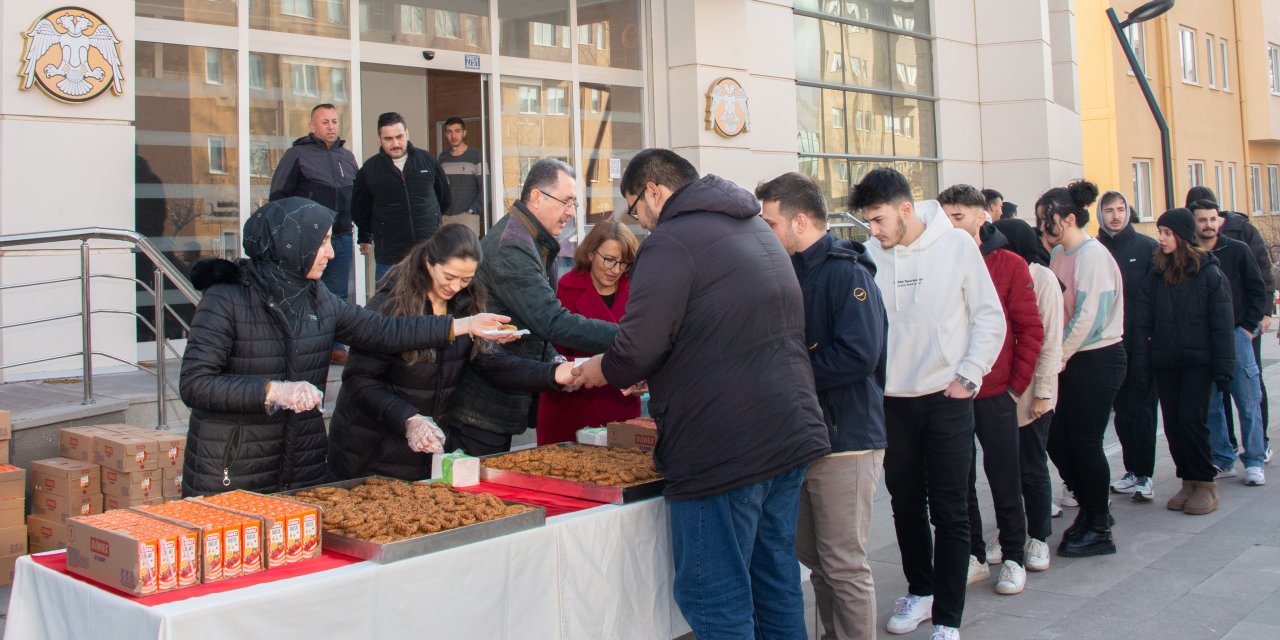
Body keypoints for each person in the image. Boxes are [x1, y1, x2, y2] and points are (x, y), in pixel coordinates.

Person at [574, 150, 831, 639]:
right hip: (788, 432)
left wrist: (593, 369)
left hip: (722, 448)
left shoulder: (670, 241)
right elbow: (727, 331)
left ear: (653, 190)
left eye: (634, 207)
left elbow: (636, 348)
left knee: (714, 596)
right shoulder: (755, 228)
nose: (639, 220)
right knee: (773, 579)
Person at [179, 199, 512, 496]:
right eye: (322, 242)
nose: (332, 253)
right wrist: (272, 391)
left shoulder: (318, 297)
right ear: (291, 245)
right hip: (232, 467)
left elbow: (382, 331)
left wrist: (462, 325)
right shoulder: (225, 298)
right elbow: (195, 384)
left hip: (301, 465)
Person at [853, 169, 1005, 640]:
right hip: (893, 401)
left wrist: (969, 374)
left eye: (878, 220)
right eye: (867, 223)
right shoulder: (872, 255)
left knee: (951, 508)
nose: (873, 232)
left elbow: (988, 317)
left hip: (946, 398)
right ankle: (921, 592)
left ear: (904, 209)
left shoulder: (957, 245)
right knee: (904, 503)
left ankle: (948, 618)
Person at [327, 225, 578, 481]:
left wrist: (555, 374)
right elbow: (359, 380)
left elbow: (493, 364)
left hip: (421, 453)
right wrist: (409, 418)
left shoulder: (465, 302)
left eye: (466, 280)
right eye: (448, 277)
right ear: (428, 262)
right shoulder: (390, 303)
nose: (456, 287)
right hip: (367, 450)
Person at [757, 172, 887, 640]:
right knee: (817, 561)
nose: (764, 231)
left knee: (843, 564)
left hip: (846, 440)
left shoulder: (846, 272)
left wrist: (790, 376)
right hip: (804, 440)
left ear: (801, 221)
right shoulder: (791, 271)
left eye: (770, 222)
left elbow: (859, 353)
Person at [448, 159, 619, 455]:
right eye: (566, 201)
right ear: (537, 196)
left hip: (496, 404)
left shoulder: (531, 239)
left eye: (574, 203)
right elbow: (552, 321)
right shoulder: (512, 246)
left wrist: (553, 359)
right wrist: (631, 337)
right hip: (480, 409)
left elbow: (534, 324)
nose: (571, 212)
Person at [937, 184, 1043, 597]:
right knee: (957, 481)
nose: (950, 224)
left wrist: (1016, 387)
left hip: (996, 392)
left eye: (958, 216)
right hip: (949, 393)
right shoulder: (940, 263)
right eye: (945, 217)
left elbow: (1030, 329)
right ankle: (974, 556)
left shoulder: (1009, 264)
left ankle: (1014, 555)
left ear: (983, 217)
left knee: (1004, 478)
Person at [1035, 180, 1126, 558]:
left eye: (1046, 219)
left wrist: (1058, 356)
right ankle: (1091, 507)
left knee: (1085, 443)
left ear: (1068, 219)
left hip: (1097, 359)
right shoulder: (1060, 255)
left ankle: (1099, 523)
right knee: (1057, 439)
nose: (1041, 226)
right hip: (1069, 360)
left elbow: (1089, 316)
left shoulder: (1092, 256)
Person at [1131, 208, 1234, 515]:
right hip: (1165, 360)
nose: (1161, 238)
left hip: (1198, 361)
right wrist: (1140, 363)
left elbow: (1221, 323)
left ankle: (1205, 483)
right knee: (1174, 425)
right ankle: (1187, 480)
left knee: (1192, 421)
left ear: (1181, 236)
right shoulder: (1156, 273)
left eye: (1166, 233)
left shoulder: (1208, 272)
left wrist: (1224, 369)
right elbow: (1141, 323)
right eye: (1159, 232)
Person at [992, 218, 1063, 573]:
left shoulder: (1042, 277)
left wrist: (1044, 394)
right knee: (1006, 468)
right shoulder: (1001, 274)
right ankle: (1012, 533)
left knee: (1032, 466)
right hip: (1005, 389)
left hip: (1035, 389)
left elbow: (1050, 342)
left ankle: (1038, 536)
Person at [1186, 186, 1274, 461]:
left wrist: (1255, 322)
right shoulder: (1187, 251)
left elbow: (1262, 276)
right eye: (1201, 219)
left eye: (1212, 218)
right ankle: (1224, 451)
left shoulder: (1241, 236)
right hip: (1206, 336)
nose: (1209, 224)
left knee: (1249, 392)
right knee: (1213, 399)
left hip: (1240, 329)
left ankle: (1258, 450)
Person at [535, 220, 641, 445]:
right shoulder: (567, 287)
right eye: (610, 260)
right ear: (591, 254)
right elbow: (553, 354)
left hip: (619, 407)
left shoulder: (638, 290)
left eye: (624, 263)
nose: (616, 269)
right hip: (571, 406)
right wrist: (601, 366)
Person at [269, 103, 360, 364]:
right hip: (307, 239)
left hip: (341, 235)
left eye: (334, 121)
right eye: (325, 122)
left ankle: (335, 347)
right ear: (312, 126)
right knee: (302, 293)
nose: (331, 127)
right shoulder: (296, 154)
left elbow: (359, 195)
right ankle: (299, 346)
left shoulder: (347, 156)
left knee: (336, 295)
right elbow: (278, 196)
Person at [1096, 191, 1160, 501]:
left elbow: (1156, 296)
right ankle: (1131, 470)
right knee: (1121, 411)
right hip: (1109, 344)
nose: (1116, 215)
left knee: (1142, 409)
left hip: (1140, 342)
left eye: (1121, 209)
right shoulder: (1094, 249)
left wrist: (1150, 335)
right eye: (1109, 210)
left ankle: (1145, 474)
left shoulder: (1146, 247)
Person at [352, 112, 452, 282]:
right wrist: (368, 233)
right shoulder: (369, 169)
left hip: (429, 253)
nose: (395, 143)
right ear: (379, 139)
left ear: (407, 133)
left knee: (431, 306)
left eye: (399, 136)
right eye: (388, 138)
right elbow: (360, 209)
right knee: (389, 306)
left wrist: (431, 219)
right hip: (390, 258)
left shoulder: (427, 160)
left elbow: (444, 198)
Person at [439, 117, 485, 234]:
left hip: (467, 217)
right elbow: (438, 186)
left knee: (468, 252)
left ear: (464, 133)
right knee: (445, 252)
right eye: (449, 132)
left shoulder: (477, 156)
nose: (453, 136)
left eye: (457, 131)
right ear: (445, 134)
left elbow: (486, 186)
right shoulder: (442, 157)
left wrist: (472, 210)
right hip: (445, 217)